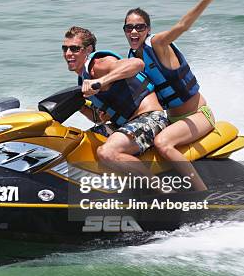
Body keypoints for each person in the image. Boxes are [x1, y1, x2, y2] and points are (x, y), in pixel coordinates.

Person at [123, 0, 235, 191]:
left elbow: (183, 26)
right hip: (172, 120)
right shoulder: (132, 60)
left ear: (147, 29)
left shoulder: (158, 44)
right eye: (129, 28)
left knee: (162, 144)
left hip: (198, 116)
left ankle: (202, 195)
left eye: (139, 27)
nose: (134, 32)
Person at [62, 26, 168, 177]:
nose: (68, 54)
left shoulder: (99, 64)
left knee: (107, 152)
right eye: (65, 49)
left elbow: (137, 64)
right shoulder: (84, 80)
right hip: (124, 124)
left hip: (152, 119)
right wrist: (78, 106)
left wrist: (101, 81)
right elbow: (98, 118)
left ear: (88, 50)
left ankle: (164, 191)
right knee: (78, 143)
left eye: (74, 49)